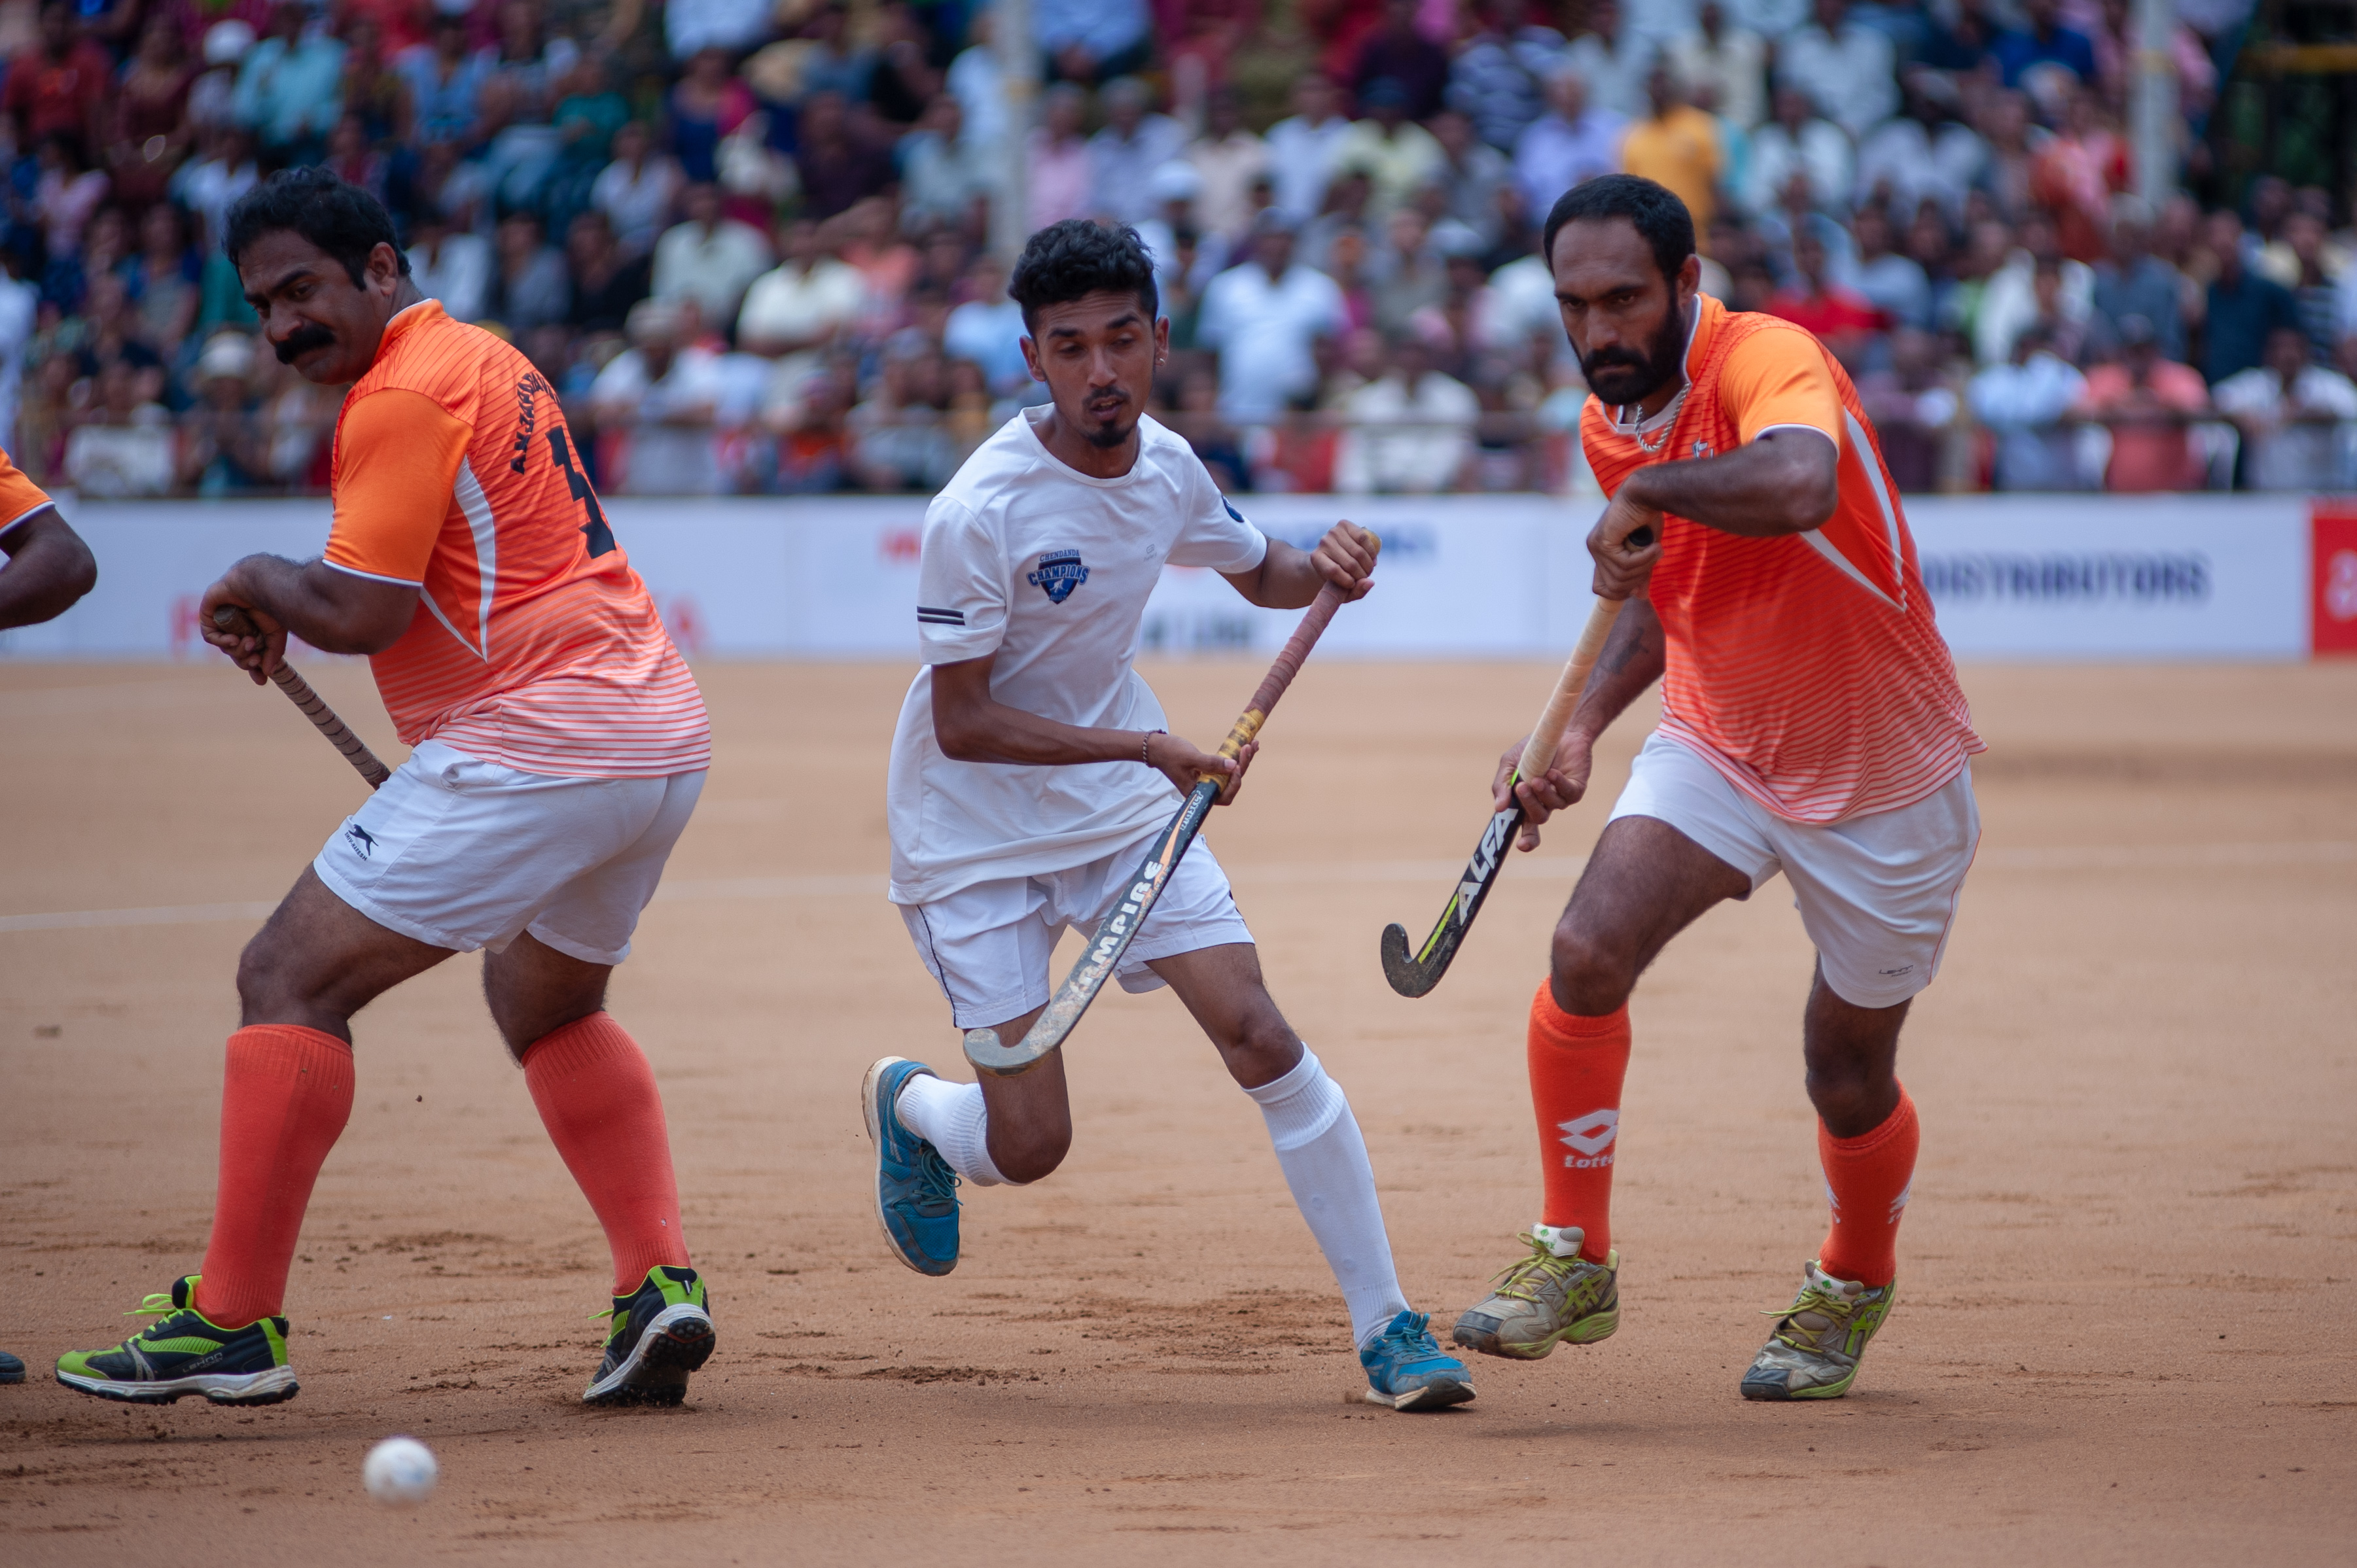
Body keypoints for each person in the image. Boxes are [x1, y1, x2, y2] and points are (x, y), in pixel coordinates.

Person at [54, 170, 717, 1410]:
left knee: (286, 977)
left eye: (302, 289)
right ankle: (657, 1283)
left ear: (378, 266)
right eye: (260, 305)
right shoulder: (484, 355)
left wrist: (255, 570)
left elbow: (363, 611)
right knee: (545, 996)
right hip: (657, 735)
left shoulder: (401, 393)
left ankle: (235, 1320)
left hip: (540, 742)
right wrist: (284, 594)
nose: (280, 325)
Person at [868, 218, 1476, 1412]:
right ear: (1031, 357)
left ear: (1158, 338)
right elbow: (966, 722)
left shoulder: (1167, 468)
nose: (1102, 370)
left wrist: (1328, 561)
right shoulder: (977, 510)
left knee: (1255, 1027)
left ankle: (1388, 1327)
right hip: (972, 831)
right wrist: (1152, 747)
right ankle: (914, 1106)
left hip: (1117, 811)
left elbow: (1258, 570)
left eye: (1123, 339)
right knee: (1030, 1144)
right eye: (1071, 346)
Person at [1449, 176, 1981, 1403]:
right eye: (1572, 305)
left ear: (1687, 285)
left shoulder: (1768, 357)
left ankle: (1853, 1274)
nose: (1597, 333)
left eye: (1623, 299)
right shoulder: (1610, 423)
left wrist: (1649, 490)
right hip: (1720, 741)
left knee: (1841, 1070)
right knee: (1585, 950)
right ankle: (1571, 1252)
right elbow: (1666, 595)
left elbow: (1795, 482)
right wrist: (1578, 730)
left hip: (1884, 774)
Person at [1195, 211, 1347, 419]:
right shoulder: (1226, 287)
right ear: (1257, 242)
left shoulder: (1320, 288)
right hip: (1238, 414)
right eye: (1270, 238)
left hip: (1299, 419)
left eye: (1283, 238)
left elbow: (1332, 353)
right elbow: (1210, 354)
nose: (1277, 246)